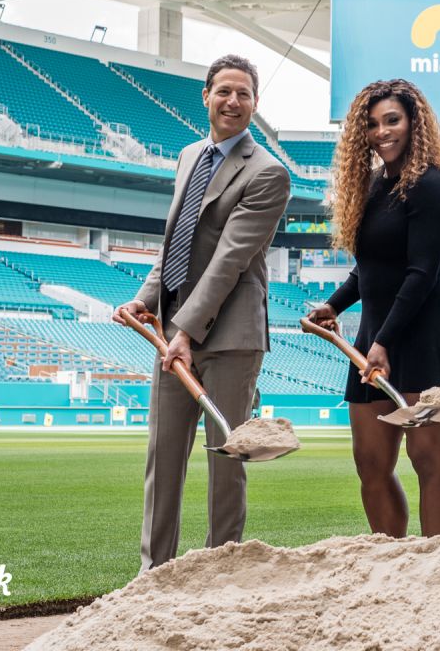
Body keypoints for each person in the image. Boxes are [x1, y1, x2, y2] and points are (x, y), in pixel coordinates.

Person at [113, 55, 290, 572]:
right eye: (224, 91)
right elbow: (178, 244)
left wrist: (184, 330)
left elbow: (227, 261)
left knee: (226, 462)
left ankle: (221, 572)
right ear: (206, 96)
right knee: (162, 458)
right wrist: (148, 298)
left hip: (230, 339)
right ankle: (153, 573)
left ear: (256, 105)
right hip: (174, 333)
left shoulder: (268, 173)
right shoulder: (190, 154)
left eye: (245, 94)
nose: (233, 102)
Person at [306, 79, 440, 537]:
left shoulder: (429, 183)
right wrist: (332, 305)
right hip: (376, 334)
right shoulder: (371, 186)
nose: (382, 132)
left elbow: (421, 272)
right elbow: (369, 270)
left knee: (427, 457)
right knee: (370, 462)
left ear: (413, 123)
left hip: (424, 333)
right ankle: (391, 561)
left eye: (392, 120)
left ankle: (438, 563)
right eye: (372, 124)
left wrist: (384, 340)